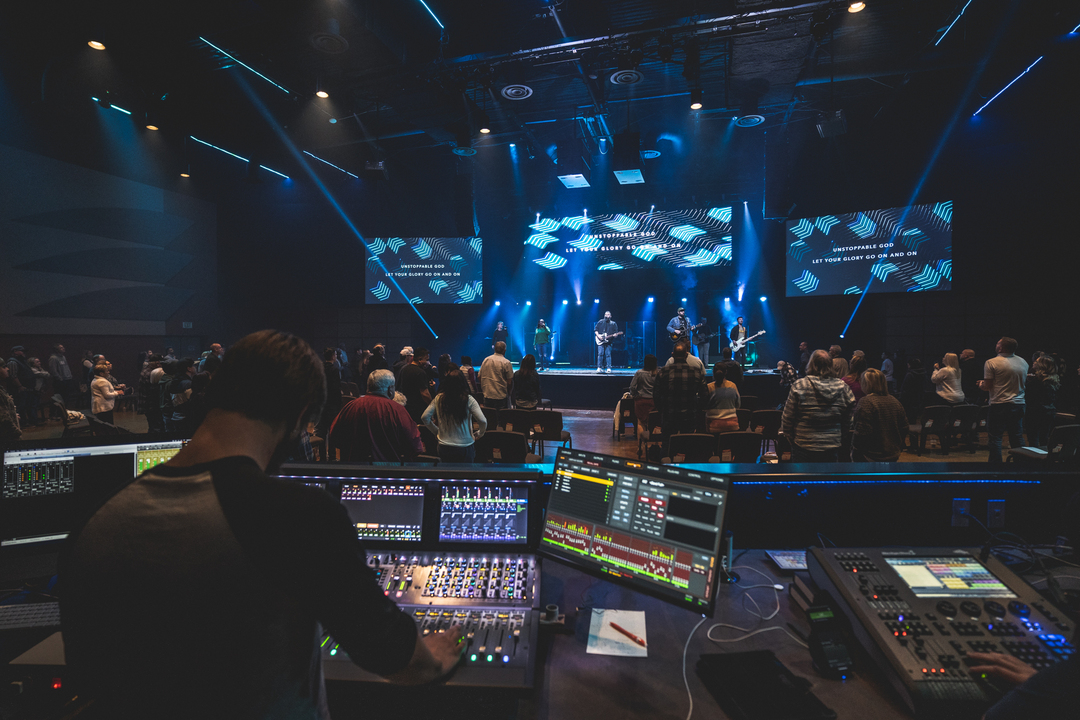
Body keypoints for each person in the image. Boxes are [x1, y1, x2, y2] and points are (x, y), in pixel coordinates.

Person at [61, 330, 461, 720]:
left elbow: (88, 670)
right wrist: (433, 657)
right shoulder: (298, 514)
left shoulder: (98, 520)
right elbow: (392, 654)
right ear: (300, 414)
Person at [330, 369, 424, 462]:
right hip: (387, 468)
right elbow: (415, 446)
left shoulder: (350, 406)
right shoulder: (397, 410)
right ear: (390, 389)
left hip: (354, 468)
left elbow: (334, 436)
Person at [781, 349, 856, 462]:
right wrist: (839, 437)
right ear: (830, 365)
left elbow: (787, 418)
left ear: (811, 364)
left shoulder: (799, 385)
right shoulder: (844, 388)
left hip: (803, 444)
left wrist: (792, 439)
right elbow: (849, 420)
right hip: (832, 444)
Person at [979, 337, 1028, 464]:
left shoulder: (991, 362)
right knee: (1017, 436)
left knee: (995, 438)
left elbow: (987, 386)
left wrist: (980, 384)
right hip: (1019, 403)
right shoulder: (1023, 362)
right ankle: (1021, 465)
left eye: (998, 343)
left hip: (999, 404)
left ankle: (996, 467)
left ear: (1001, 348)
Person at [422, 368, 487, 463]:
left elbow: (425, 417)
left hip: (444, 445)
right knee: (466, 472)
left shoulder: (439, 398)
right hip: (465, 446)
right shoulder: (469, 399)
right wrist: (480, 433)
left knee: (447, 472)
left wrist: (436, 431)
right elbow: (482, 420)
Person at [850, 368, 909, 462]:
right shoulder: (895, 401)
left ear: (866, 384)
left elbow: (861, 432)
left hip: (870, 456)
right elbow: (904, 427)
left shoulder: (866, 402)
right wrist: (897, 446)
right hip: (892, 454)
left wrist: (854, 450)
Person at [653, 343, 708, 440]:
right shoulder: (696, 372)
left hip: (669, 415)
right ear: (686, 355)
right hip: (689, 415)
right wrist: (697, 410)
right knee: (687, 444)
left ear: (672, 355)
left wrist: (662, 410)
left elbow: (656, 395)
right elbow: (705, 395)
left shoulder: (663, 372)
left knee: (667, 443)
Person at [1025, 355, 1060, 449]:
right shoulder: (1053, 380)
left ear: (1041, 365)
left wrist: (1028, 382)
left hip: (1035, 412)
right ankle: (1044, 456)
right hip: (1049, 412)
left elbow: (1029, 396)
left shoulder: (1037, 381)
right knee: (1044, 438)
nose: (1034, 363)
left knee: (1033, 439)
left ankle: (1034, 457)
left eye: (1036, 361)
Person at [398, 347, 436, 423]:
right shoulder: (420, 372)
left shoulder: (404, 369)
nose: (428, 363)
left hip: (407, 406)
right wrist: (432, 407)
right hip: (419, 408)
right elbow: (424, 394)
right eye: (426, 360)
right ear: (420, 359)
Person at [630, 355, 659, 444]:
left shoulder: (639, 373)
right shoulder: (658, 373)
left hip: (641, 401)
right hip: (654, 401)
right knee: (655, 423)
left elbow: (632, 387)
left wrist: (634, 395)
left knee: (640, 423)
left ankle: (640, 446)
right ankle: (655, 444)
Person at [705, 363, 740, 434]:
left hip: (713, 427)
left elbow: (704, 405)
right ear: (726, 372)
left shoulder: (708, 387)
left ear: (713, 372)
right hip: (732, 426)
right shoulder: (733, 386)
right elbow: (738, 405)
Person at [479, 341, 514, 408]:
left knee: (489, 414)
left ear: (495, 349)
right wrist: (509, 393)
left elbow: (479, 376)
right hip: (501, 396)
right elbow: (509, 382)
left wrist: (485, 387)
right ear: (504, 350)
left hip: (488, 395)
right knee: (502, 414)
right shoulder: (506, 362)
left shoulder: (486, 360)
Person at [318, 348, 343, 438]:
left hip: (322, 401)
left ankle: (321, 447)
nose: (336, 356)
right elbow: (336, 388)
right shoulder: (334, 370)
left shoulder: (320, 368)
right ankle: (332, 447)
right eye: (335, 355)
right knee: (332, 428)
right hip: (332, 403)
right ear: (332, 356)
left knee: (321, 430)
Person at [137, 355, 165, 434]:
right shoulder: (150, 373)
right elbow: (153, 391)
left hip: (147, 403)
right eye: (159, 363)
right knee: (156, 426)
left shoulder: (147, 370)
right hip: (150, 404)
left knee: (153, 426)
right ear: (156, 363)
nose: (160, 365)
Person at [899, 357, 928, 424]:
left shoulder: (910, 374)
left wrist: (901, 397)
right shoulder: (923, 374)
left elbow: (905, 387)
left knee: (908, 415)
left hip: (908, 398)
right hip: (919, 397)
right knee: (914, 415)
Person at [0, 364, 22, 444]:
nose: (7, 369)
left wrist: (13, 415)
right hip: (8, 437)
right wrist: (17, 432)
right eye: (4, 367)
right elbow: (4, 418)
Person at [48, 343, 75, 408]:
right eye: (61, 348)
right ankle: (57, 412)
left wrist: (70, 376)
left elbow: (66, 368)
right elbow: (53, 370)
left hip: (67, 379)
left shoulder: (63, 357)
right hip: (60, 381)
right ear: (56, 350)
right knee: (59, 397)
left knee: (66, 397)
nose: (63, 348)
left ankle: (65, 410)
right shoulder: (53, 358)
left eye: (63, 347)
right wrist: (60, 379)